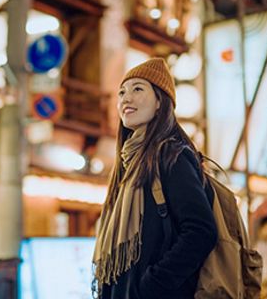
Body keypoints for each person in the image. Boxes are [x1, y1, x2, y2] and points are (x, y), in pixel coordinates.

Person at [92, 58, 218, 299]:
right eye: (122, 92)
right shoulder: (128, 165)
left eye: (138, 89)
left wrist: (154, 284)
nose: (125, 99)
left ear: (160, 101)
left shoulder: (171, 156)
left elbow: (201, 231)